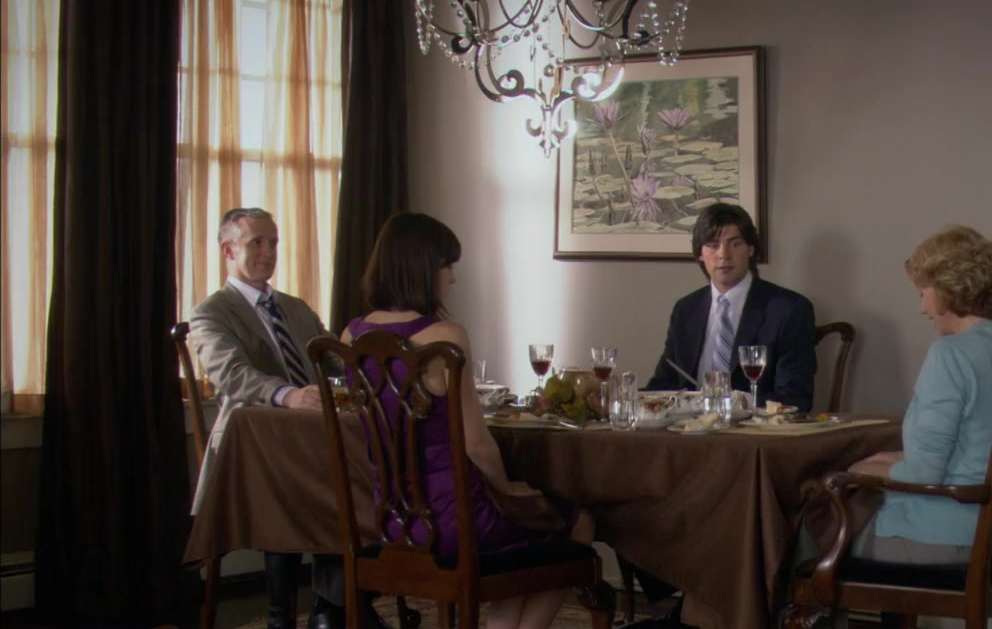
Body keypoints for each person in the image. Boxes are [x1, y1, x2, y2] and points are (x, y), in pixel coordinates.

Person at [342, 211, 596, 629]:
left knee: (521, 550)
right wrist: (508, 490)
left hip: (394, 519)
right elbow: (476, 444)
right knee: (576, 522)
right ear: (422, 268)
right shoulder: (444, 337)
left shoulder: (352, 336)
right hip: (453, 519)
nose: (453, 278)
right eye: (448, 266)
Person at [189, 208, 382, 629]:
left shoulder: (295, 309)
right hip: (254, 449)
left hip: (313, 442)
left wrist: (374, 375)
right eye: (256, 242)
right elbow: (232, 375)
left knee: (365, 475)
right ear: (228, 250)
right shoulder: (211, 313)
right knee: (310, 487)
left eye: (273, 242)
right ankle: (299, 615)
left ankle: (337, 606)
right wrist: (288, 394)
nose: (268, 251)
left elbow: (336, 363)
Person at [797, 224, 992, 572]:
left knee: (806, 532)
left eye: (923, 292)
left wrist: (860, 471)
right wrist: (885, 458)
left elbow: (923, 473)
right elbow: (973, 450)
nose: (922, 307)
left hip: (943, 537)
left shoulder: (950, 354)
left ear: (948, 288)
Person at [645, 203, 817, 411]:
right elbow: (663, 385)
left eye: (735, 244)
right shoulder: (686, 309)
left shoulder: (789, 309)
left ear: (751, 249)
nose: (723, 255)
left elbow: (795, 398)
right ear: (700, 253)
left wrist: (733, 404)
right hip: (688, 426)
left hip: (754, 427)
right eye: (713, 245)